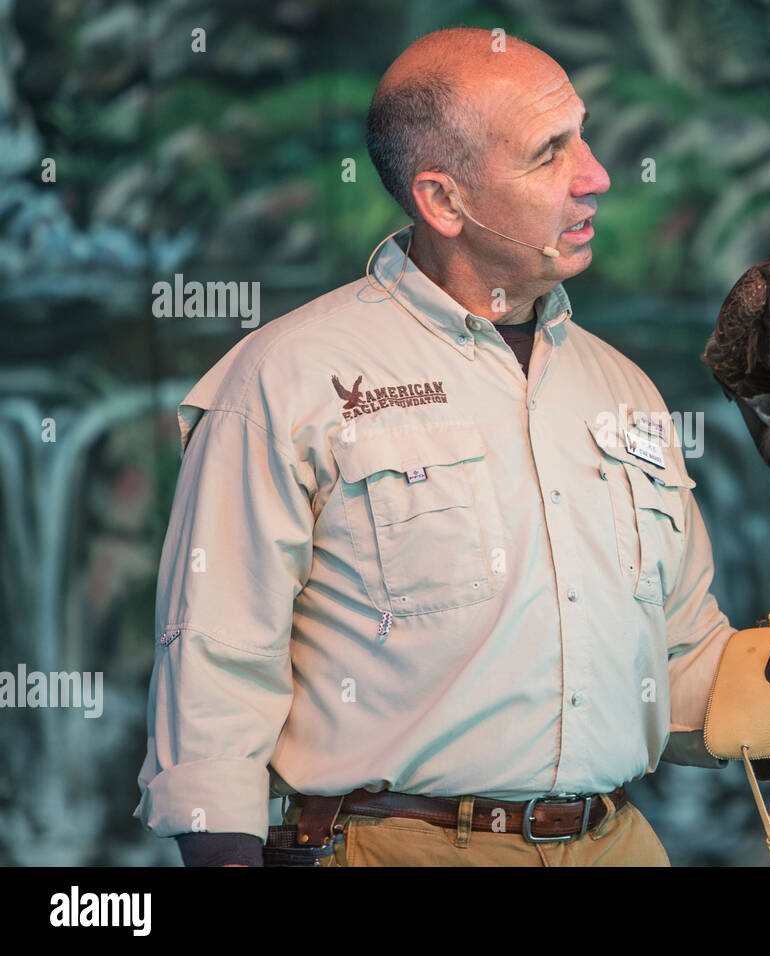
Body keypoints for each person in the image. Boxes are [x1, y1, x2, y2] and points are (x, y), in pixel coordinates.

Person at [133, 26, 738, 867]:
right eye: (549, 153)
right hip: (395, 849)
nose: (597, 174)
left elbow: (688, 669)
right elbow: (215, 663)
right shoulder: (284, 381)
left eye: (583, 134)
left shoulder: (624, 390)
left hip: (621, 846)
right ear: (443, 202)